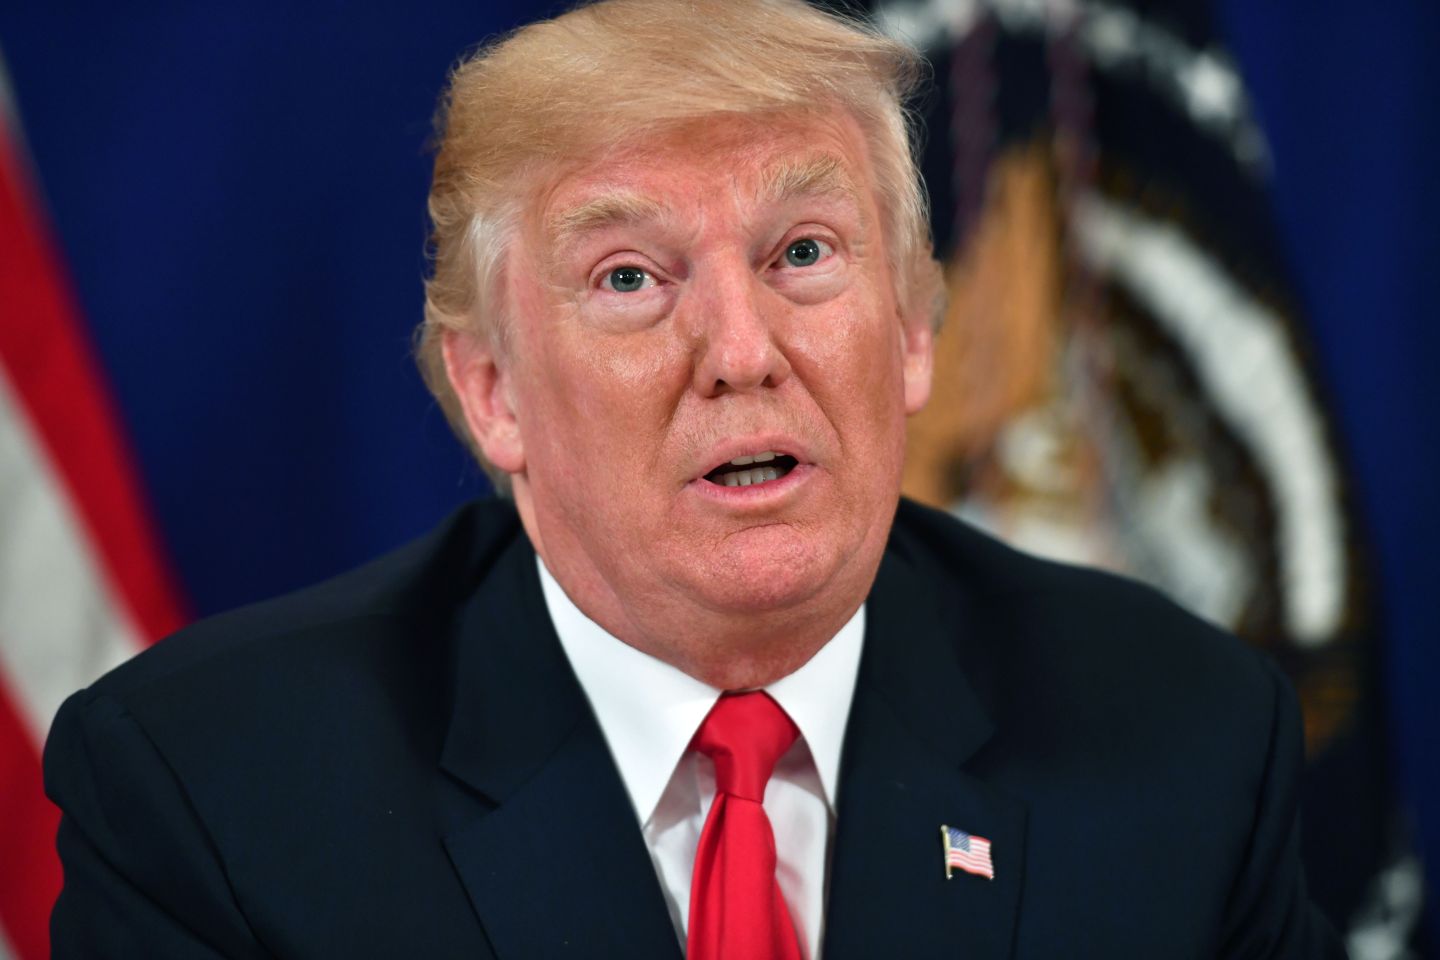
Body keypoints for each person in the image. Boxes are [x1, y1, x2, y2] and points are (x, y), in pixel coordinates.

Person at [44, 0, 1344, 956]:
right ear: (493, 390)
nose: (740, 351)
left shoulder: (1182, 740)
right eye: (629, 278)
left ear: (910, 338)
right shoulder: (213, 795)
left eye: (803, 252)